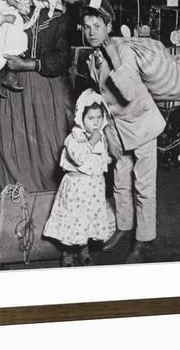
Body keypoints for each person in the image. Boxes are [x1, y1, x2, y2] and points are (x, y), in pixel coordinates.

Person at [80, 0, 166, 263]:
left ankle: (143, 241)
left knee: (143, 185)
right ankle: (124, 226)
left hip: (142, 125)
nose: (92, 32)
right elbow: (103, 101)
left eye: (97, 26)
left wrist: (115, 56)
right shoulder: (91, 58)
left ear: (109, 26)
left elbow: (127, 88)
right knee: (119, 182)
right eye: (87, 27)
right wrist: (107, 133)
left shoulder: (121, 50)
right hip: (118, 129)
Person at [0, 0, 74, 194]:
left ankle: (47, 200)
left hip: (45, 87)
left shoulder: (61, 19)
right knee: (7, 141)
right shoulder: (19, 9)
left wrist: (29, 64)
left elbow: (62, 59)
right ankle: (12, 199)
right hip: (13, 86)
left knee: (47, 145)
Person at [43, 89, 111, 267]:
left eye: (98, 118)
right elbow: (79, 157)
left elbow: (101, 159)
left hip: (92, 188)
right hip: (76, 187)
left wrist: (105, 159)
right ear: (81, 118)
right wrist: (91, 142)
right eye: (91, 118)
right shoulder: (74, 138)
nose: (95, 123)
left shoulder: (100, 136)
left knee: (87, 219)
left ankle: (84, 249)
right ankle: (67, 252)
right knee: (72, 220)